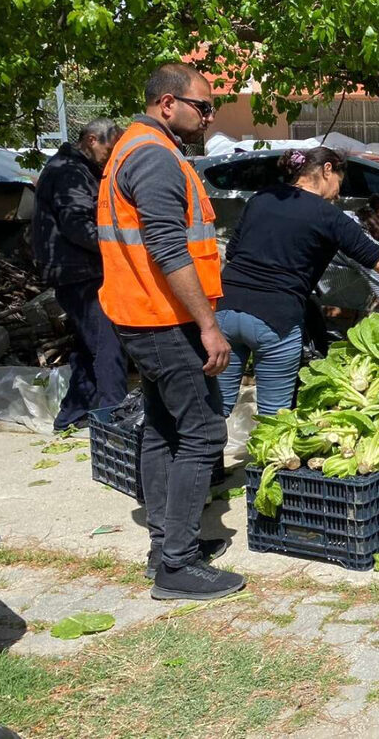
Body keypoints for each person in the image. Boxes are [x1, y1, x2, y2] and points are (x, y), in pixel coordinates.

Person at [98, 63, 242, 600]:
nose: (209, 116)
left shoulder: (136, 148)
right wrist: (208, 324)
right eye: (202, 106)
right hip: (165, 320)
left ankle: (166, 548)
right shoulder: (155, 157)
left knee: (163, 429)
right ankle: (176, 565)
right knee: (204, 433)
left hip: (143, 316)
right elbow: (165, 246)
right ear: (167, 104)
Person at [215, 149, 379, 416]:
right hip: (275, 319)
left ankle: (205, 458)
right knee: (274, 418)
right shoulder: (328, 215)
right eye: (339, 184)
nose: (338, 194)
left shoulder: (262, 198)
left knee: (217, 407)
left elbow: (232, 252)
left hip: (226, 311)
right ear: (326, 170)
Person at [31, 118, 128, 433]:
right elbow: (76, 224)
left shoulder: (74, 168)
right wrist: (117, 247)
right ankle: (116, 424)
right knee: (108, 346)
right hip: (79, 272)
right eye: (109, 150)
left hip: (74, 270)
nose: (111, 157)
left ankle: (73, 414)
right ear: (91, 140)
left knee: (92, 346)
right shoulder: (70, 173)